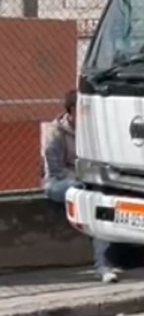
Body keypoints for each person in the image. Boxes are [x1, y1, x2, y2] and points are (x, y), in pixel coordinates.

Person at [43, 90, 123, 283]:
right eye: (83, 111)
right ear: (71, 111)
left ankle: (108, 263)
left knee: (100, 204)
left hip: (88, 182)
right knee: (93, 202)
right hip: (58, 183)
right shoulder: (54, 133)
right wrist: (83, 179)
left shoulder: (92, 132)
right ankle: (103, 266)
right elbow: (55, 170)